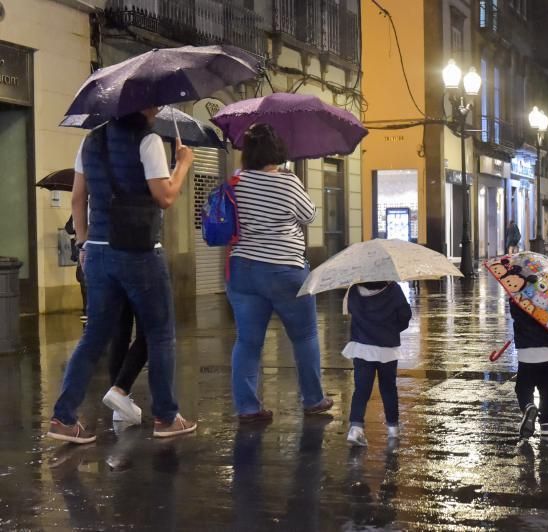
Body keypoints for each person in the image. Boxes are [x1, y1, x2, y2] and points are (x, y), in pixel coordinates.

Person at [47, 107, 196, 444]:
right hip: (139, 252)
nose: (157, 108)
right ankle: (167, 417)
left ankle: (63, 418)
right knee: (160, 335)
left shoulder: (90, 143)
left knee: (94, 337)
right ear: (141, 107)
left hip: (98, 251)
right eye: (152, 103)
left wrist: (83, 244)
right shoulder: (149, 140)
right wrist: (183, 163)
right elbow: (165, 196)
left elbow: (77, 199)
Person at [226, 124, 333, 424]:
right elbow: (309, 215)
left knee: (247, 341)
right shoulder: (288, 182)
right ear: (278, 151)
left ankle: (247, 407)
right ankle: (313, 399)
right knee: (305, 336)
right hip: (286, 270)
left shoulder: (237, 181)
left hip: (243, 270)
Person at [343, 281, 412, 446]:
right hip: (387, 349)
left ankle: (356, 427)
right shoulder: (393, 289)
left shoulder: (353, 289)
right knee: (388, 388)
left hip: (361, 347)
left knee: (361, 389)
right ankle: (393, 428)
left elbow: (350, 310)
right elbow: (405, 315)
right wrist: (393, 329)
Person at [511, 301, 548, 439]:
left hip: (527, 353)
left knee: (523, 388)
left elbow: (516, 315)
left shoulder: (520, 294)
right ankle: (547, 425)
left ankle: (528, 406)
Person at [64, 215, 87, 322]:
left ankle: (88, 310)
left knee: (85, 280)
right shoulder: (81, 209)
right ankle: (87, 309)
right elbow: (68, 228)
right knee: (82, 279)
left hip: (89, 248)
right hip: (82, 249)